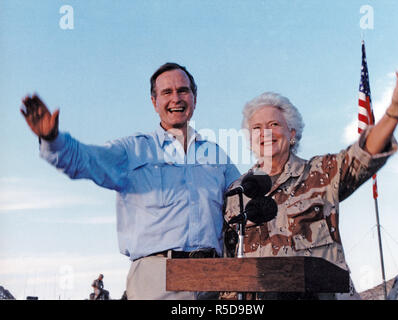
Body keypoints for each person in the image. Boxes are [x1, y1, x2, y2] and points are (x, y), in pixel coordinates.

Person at [20, 62, 240, 300]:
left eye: (183, 90)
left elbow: (245, 203)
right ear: (154, 102)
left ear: (194, 99)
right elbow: (84, 160)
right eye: (167, 92)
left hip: (212, 279)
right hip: (156, 281)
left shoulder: (217, 157)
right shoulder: (132, 151)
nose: (176, 98)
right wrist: (52, 139)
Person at [224, 56, 398, 300]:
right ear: (250, 138)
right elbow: (228, 269)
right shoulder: (237, 193)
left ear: (291, 133)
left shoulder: (321, 172)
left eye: (274, 124)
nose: (266, 133)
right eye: (257, 128)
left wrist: (395, 110)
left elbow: (364, 155)